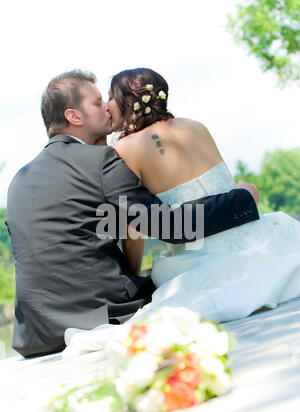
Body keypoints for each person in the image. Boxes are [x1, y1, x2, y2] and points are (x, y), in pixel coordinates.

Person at [6, 69, 260, 358]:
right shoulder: (99, 160)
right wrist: (240, 200)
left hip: (37, 333)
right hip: (103, 313)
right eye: (97, 101)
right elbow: (170, 227)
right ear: (74, 117)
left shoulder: (19, 179)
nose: (106, 107)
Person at [102, 67, 300, 326]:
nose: (106, 107)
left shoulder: (124, 148)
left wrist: (133, 274)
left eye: (110, 98)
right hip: (257, 235)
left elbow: (135, 226)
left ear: (127, 100)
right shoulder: (196, 126)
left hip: (200, 255)